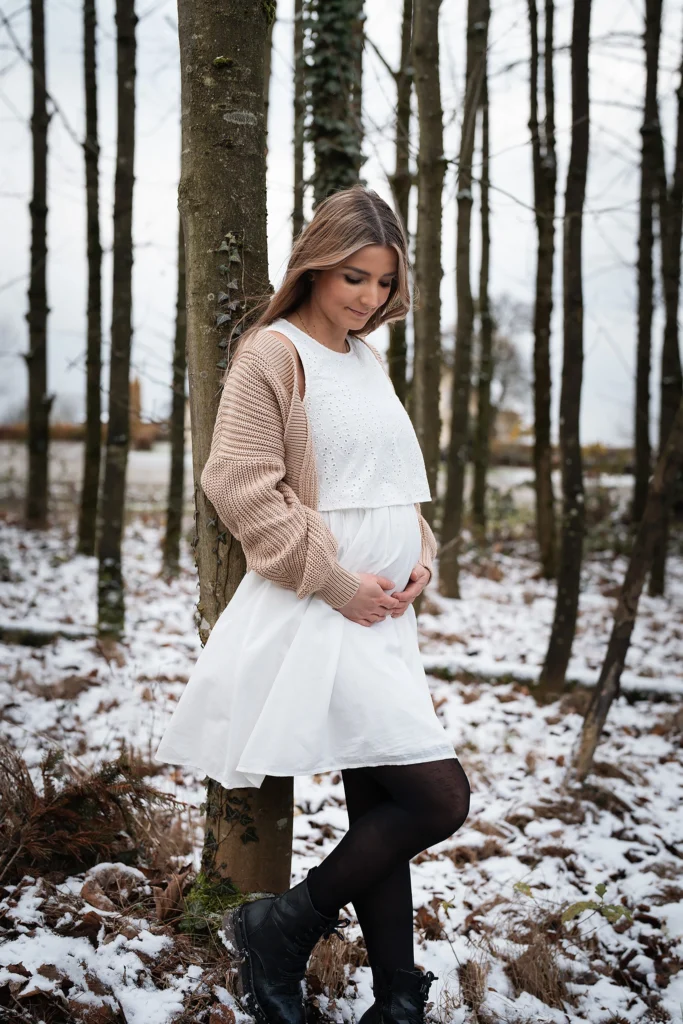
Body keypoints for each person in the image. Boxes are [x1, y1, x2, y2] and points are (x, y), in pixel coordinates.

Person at [155, 185, 470, 1024]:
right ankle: (283, 927)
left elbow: (387, 485)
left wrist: (419, 561)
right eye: (353, 278)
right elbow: (238, 484)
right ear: (316, 266)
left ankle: (397, 997)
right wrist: (338, 581)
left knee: (387, 802)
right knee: (435, 799)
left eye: (382, 283)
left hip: (382, 617)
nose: (368, 299)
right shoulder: (273, 353)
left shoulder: (367, 360)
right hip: (320, 610)